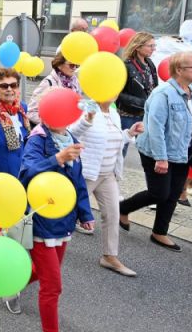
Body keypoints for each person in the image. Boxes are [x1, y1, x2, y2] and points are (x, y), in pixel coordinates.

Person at [120, 51, 192, 253]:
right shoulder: (163, 94)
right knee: (159, 192)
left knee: (173, 193)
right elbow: (155, 128)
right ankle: (122, 209)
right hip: (157, 152)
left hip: (183, 151)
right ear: (179, 70)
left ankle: (159, 232)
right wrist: (161, 158)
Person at [19, 116, 95, 332]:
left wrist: (85, 213)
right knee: (52, 286)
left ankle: (10, 282)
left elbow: (77, 180)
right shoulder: (37, 139)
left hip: (64, 220)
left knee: (43, 273)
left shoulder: (69, 137)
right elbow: (26, 173)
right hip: (41, 220)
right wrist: (58, 158)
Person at [70, 97, 143, 277]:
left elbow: (115, 140)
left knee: (112, 214)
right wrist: (87, 119)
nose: (115, 93)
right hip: (87, 174)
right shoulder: (84, 107)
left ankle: (110, 257)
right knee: (65, 213)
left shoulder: (113, 112)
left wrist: (129, 133)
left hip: (108, 173)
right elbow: (71, 133)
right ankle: (40, 246)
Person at [117, 32, 158, 147]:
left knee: (145, 148)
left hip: (145, 114)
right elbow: (118, 93)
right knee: (121, 146)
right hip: (128, 115)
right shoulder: (126, 66)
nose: (153, 49)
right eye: (150, 46)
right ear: (138, 47)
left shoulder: (150, 63)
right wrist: (140, 103)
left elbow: (153, 87)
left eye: (154, 46)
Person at [27, 53, 82, 125]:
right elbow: (31, 112)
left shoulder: (75, 83)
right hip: (52, 131)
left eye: (77, 65)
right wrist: (53, 124)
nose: (75, 68)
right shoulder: (48, 82)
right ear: (59, 65)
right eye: (71, 65)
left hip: (69, 130)